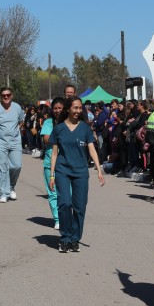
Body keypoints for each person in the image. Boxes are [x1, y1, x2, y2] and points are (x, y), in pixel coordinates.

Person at [48, 96, 105, 253]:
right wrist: (52, 175)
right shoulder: (59, 128)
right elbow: (54, 153)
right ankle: (65, 238)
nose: (78, 111)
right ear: (68, 109)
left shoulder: (85, 128)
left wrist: (99, 170)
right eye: (75, 108)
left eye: (80, 108)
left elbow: (92, 149)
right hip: (62, 170)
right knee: (65, 203)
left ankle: (75, 239)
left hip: (80, 172)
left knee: (79, 207)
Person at [0, 87, 25, 202]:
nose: (6, 97)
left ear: (12, 95)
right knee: (1, 166)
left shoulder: (17, 107)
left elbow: (21, 120)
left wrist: (16, 130)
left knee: (16, 165)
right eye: (4, 95)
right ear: (0, 96)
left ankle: (11, 186)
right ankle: (4, 192)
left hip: (15, 140)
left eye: (8, 95)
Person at [41, 97, 65, 229]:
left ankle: (66, 216)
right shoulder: (48, 122)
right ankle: (57, 219)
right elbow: (46, 139)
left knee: (67, 193)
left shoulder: (70, 122)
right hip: (50, 162)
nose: (57, 110)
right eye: (55, 108)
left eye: (60, 108)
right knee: (53, 192)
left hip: (66, 162)